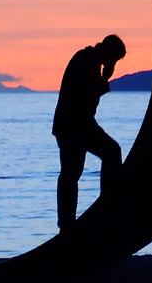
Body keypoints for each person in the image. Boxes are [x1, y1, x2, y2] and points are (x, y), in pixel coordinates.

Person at [52, 34, 126, 231]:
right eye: (115, 59)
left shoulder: (87, 59)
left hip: (75, 124)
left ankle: (68, 222)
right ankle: (100, 209)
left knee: (71, 172)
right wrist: (105, 78)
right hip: (75, 125)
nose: (113, 63)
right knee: (107, 155)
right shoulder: (87, 61)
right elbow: (87, 94)